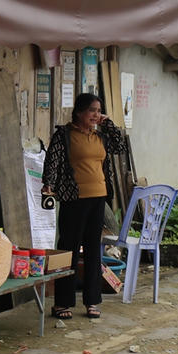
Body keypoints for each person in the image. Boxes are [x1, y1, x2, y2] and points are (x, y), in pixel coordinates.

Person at [41, 92, 125, 320]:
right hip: (73, 198)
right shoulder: (65, 135)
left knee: (92, 251)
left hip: (99, 198)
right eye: (92, 111)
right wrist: (48, 184)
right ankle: (62, 303)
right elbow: (53, 161)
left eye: (99, 111)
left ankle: (92, 301)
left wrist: (108, 124)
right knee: (69, 248)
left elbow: (120, 146)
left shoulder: (101, 137)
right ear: (79, 112)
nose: (96, 115)